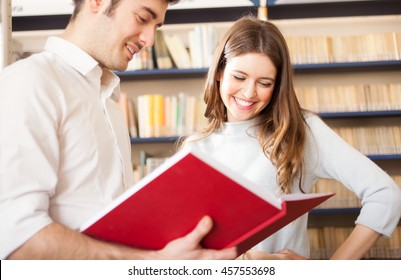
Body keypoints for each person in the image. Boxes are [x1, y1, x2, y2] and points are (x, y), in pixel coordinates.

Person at [0, 0, 237, 260]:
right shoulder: (29, 83)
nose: (149, 39)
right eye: (142, 18)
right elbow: (18, 241)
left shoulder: (108, 100)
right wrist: (155, 262)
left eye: (156, 26)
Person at [182, 16, 401, 260]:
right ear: (220, 72)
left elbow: (385, 194)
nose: (249, 92)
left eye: (264, 83)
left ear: (277, 86)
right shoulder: (194, 148)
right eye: (239, 77)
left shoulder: (301, 132)